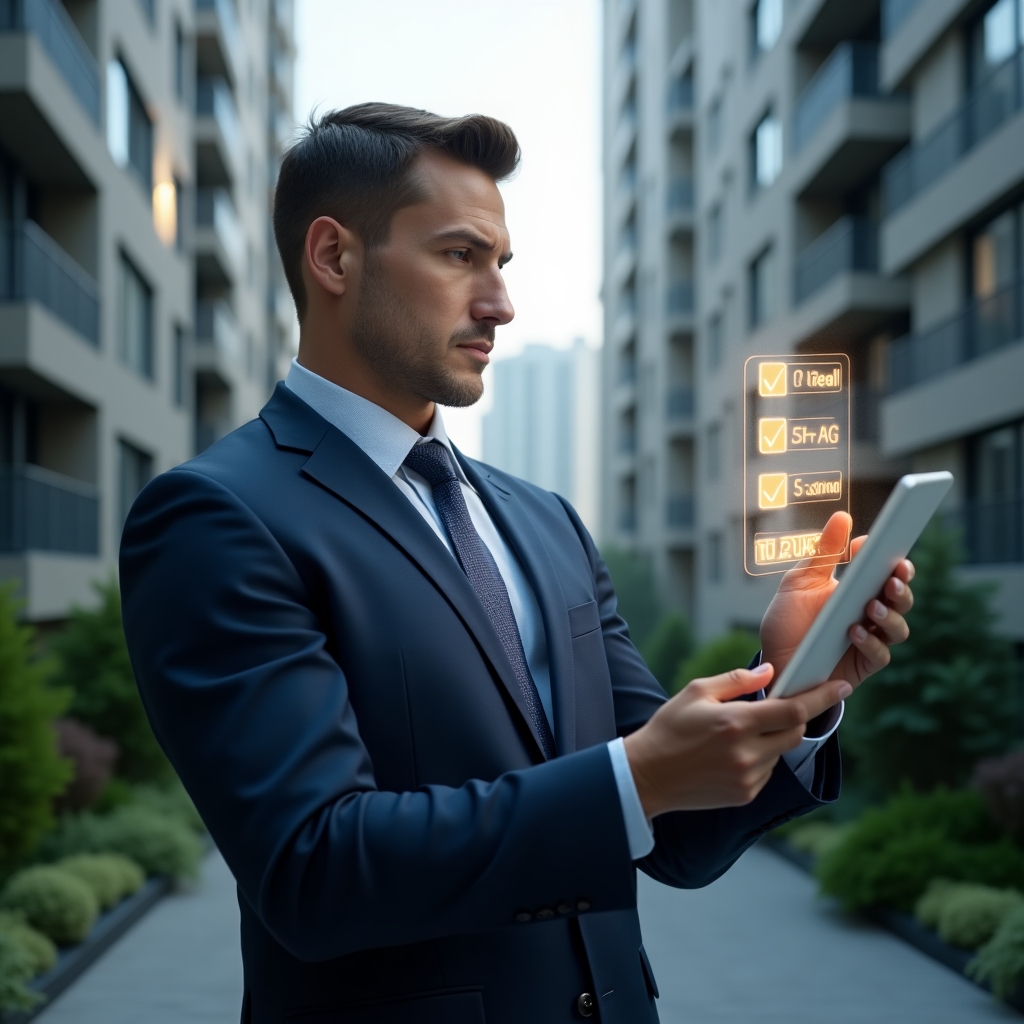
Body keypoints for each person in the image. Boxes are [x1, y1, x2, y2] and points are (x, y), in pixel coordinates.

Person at [119, 105, 914, 1024]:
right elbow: (314, 869)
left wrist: (795, 683)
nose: (499, 301)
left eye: (501, 263)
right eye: (461, 255)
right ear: (333, 257)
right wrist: (637, 776)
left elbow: (680, 838)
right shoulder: (217, 516)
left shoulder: (544, 523)